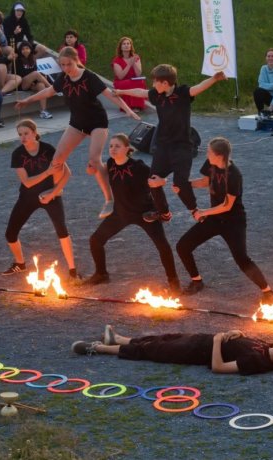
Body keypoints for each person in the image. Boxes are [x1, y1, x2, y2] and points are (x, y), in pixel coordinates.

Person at [15, 46, 140, 219]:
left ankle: (110, 200)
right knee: (57, 160)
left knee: (95, 161)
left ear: (76, 61)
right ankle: (57, 190)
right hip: (77, 123)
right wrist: (28, 100)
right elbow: (49, 91)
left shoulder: (89, 77)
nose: (66, 68)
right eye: (63, 65)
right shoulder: (63, 78)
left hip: (97, 121)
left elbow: (110, 95)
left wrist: (128, 110)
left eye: (69, 64)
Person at [114, 64, 226, 223]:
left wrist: (214, 78)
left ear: (165, 83)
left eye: (155, 82)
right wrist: (121, 92)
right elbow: (141, 92)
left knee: (179, 184)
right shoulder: (157, 94)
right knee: (153, 181)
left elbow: (198, 88)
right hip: (163, 146)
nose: (152, 85)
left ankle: (195, 211)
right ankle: (163, 213)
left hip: (182, 147)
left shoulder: (182, 93)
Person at [174, 137, 273, 302]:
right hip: (215, 219)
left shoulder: (234, 175)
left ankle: (268, 292)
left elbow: (227, 205)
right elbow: (206, 181)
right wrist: (185, 185)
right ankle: (197, 281)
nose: (206, 153)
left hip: (233, 222)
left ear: (219, 155)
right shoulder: (211, 165)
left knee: (241, 258)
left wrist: (203, 212)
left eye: (209, 151)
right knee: (183, 246)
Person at [84, 133, 180, 292]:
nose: (113, 149)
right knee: (95, 240)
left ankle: (173, 281)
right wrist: (93, 168)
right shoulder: (111, 163)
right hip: (121, 213)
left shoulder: (139, 167)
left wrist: (163, 207)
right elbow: (102, 171)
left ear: (127, 149)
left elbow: (157, 180)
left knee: (162, 246)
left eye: (117, 146)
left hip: (145, 214)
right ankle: (101, 274)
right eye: (111, 146)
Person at [2, 118, 79, 281]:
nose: (23, 137)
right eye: (20, 134)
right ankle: (20, 264)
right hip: (27, 197)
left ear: (35, 133)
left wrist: (53, 193)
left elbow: (67, 174)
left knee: (62, 231)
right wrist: (47, 173)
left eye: (26, 133)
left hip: (50, 195)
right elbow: (27, 182)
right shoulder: (17, 154)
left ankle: (73, 270)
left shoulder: (48, 149)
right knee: (10, 233)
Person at [72, 325, 273, 375]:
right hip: (200, 339)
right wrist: (238, 333)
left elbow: (219, 367)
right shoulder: (269, 348)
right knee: (162, 337)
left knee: (153, 350)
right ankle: (119, 338)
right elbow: (242, 342)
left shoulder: (258, 363)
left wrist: (217, 341)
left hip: (196, 352)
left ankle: (99, 348)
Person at [14, 41, 51, 119]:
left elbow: (36, 72)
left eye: (27, 48)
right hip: (22, 84)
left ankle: (43, 111)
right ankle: (51, 88)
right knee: (35, 73)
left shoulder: (33, 59)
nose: (25, 50)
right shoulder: (18, 60)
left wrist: (34, 81)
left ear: (30, 49)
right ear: (20, 50)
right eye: (23, 49)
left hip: (31, 83)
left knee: (41, 85)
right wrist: (31, 79)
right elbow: (19, 74)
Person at [111, 36, 146, 112]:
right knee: (130, 83)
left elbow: (138, 74)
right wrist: (129, 65)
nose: (126, 45)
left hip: (133, 79)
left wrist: (134, 63)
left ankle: (137, 106)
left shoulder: (136, 57)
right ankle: (128, 107)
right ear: (120, 47)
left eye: (128, 43)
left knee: (140, 81)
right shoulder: (116, 60)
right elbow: (120, 76)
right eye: (124, 44)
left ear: (131, 46)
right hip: (120, 82)